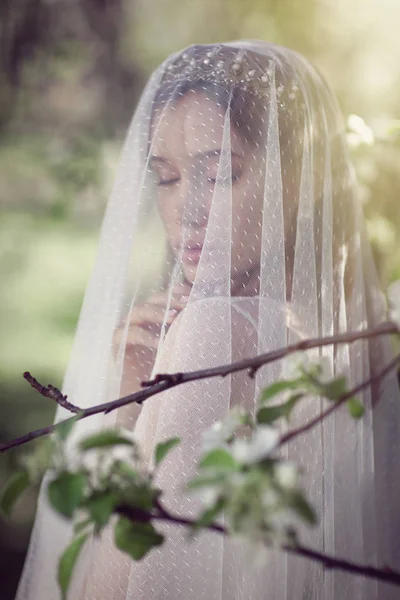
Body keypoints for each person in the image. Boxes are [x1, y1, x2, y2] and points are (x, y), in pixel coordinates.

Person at [15, 41, 400, 600]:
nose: (186, 209)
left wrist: (129, 420)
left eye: (219, 175)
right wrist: (135, 408)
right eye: (166, 179)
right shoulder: (375, 333)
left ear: (304, 178)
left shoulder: (218, 333)